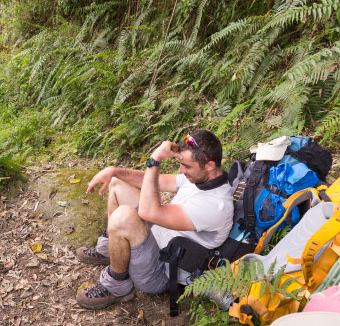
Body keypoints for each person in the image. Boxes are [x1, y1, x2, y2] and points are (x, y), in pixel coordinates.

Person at [74, 129, 233, 310]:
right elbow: (155, 181)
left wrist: (155, 159)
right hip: (152, 240)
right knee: (118, 183)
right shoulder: (199, 178)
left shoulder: (215, 205)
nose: (182, 170)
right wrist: (114, 171)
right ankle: (110, 250)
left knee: (123, 217)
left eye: (187, 166)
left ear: (210, 165)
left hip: (159, 271)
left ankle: (117, 285)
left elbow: (149, 212)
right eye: (181, 163)